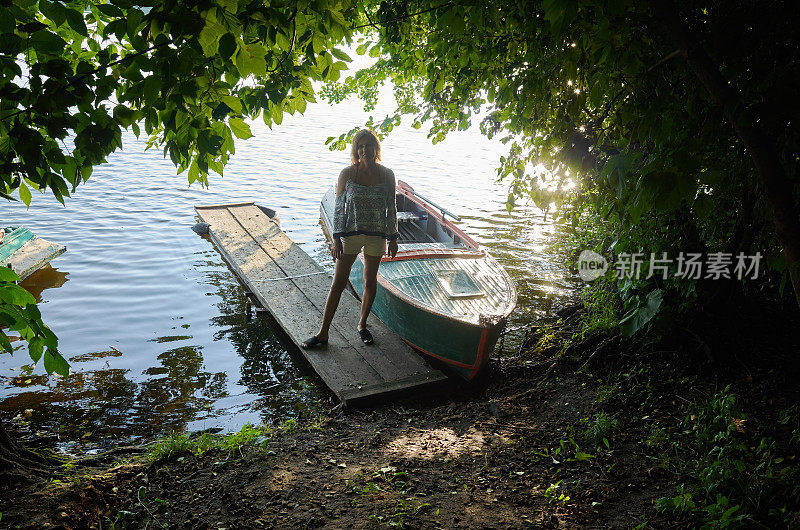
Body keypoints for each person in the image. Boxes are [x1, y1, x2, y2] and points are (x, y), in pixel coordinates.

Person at [302, 129, 399, 348]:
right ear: (356, 150)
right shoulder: (347, 173)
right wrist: (336, 237)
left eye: (369, 145)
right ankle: (323, 333)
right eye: (360, 146)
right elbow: (338, 210)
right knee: (337, 283)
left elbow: (391, 208)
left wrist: (393, 237)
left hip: (377, 235)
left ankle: (362, 325)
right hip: (350, 234)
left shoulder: (387, 175)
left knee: (369, 281)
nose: (365, 150)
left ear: (376, 148)